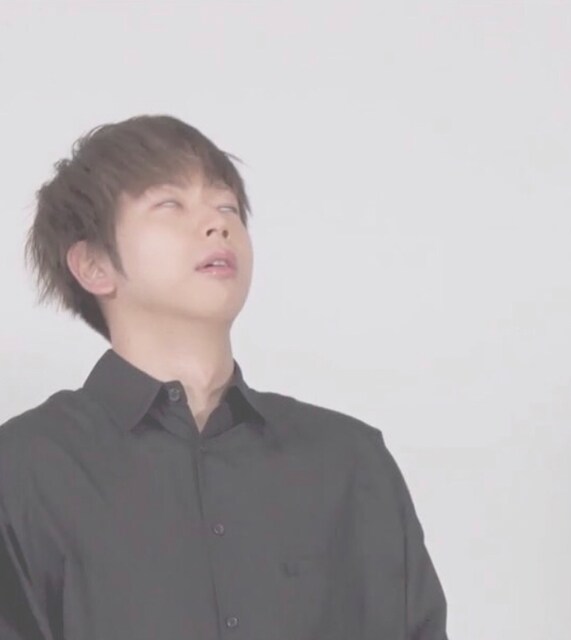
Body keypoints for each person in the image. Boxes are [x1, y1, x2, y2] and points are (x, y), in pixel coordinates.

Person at [0, 114, 448, 640]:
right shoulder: (25, 468)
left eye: (227, 207)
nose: (218, 225)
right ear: (94, 265)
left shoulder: (351, 460)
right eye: (171, 204)